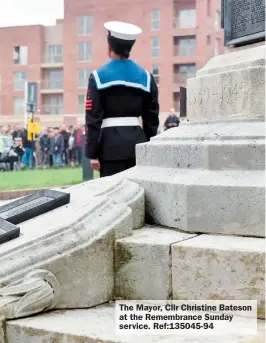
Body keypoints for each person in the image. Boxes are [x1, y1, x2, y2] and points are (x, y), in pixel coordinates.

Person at [85, 21, 159, 177]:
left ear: (109, 46)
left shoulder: (97, 77)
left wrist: (92, 153)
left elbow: (93, 118)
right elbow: (152, 118)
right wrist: (149, 148)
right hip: (138, 145)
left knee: (114, 196)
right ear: (130, 47)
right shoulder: (146, 77)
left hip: (109, 147)